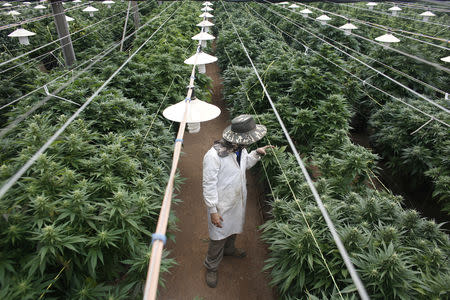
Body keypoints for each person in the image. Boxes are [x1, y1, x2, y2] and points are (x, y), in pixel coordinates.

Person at [202, 114, 272, 288]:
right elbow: (208, 185)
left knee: (233, 229)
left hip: (236, 200)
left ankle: (230, 249)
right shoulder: (213, 157)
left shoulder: (240, 149)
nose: (250, 143)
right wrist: (213, 211)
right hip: (221, 205)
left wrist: (256, 153)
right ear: (240, 138)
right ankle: (211, 266)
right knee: (218, 238)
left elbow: (244, 165)